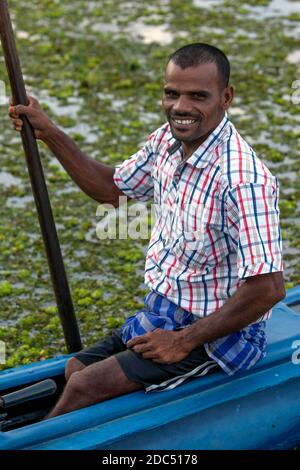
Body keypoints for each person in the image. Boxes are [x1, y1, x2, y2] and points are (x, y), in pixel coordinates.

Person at [9, 43, 285, 419]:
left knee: (84, 385)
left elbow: (268, 288)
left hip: (219, 337)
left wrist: (183, 341)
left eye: (197, 96)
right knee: (75, 369)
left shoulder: (243, 180)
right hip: (164, 314)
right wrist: (49, 133)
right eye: (172, 93)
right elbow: (112, 190)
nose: (181, 107)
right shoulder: (167, 143)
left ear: (226, 98)